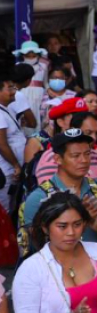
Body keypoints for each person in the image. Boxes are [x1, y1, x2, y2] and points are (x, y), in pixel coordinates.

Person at [20, 129, 97, 253]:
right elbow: (34, 244)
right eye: (76, 156)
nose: (84, 160)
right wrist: (78, 218)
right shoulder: (39, 197)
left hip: (95, 268)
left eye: (87, 154)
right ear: (58, 159)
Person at [0, 74, 26, 212]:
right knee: (5, 209)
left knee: (11, 207)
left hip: (11, 170)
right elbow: (1, 144)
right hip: (6, 171)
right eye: (9, 88)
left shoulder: (5, 109)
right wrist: (16, 165)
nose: (13, 91)